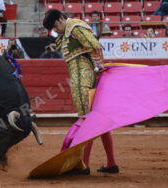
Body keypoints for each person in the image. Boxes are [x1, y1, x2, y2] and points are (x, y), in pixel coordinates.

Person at [43, 9, 119, 175]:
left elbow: (94, 45)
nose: (55, 30)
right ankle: (111, 163)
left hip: (82, 78)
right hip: (83, 75)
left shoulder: (74, 27)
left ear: (61, 19)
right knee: (98, 121)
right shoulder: (65, 33)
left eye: (56, 26)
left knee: (86, 119)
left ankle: (83, 165)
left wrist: (100, 67)